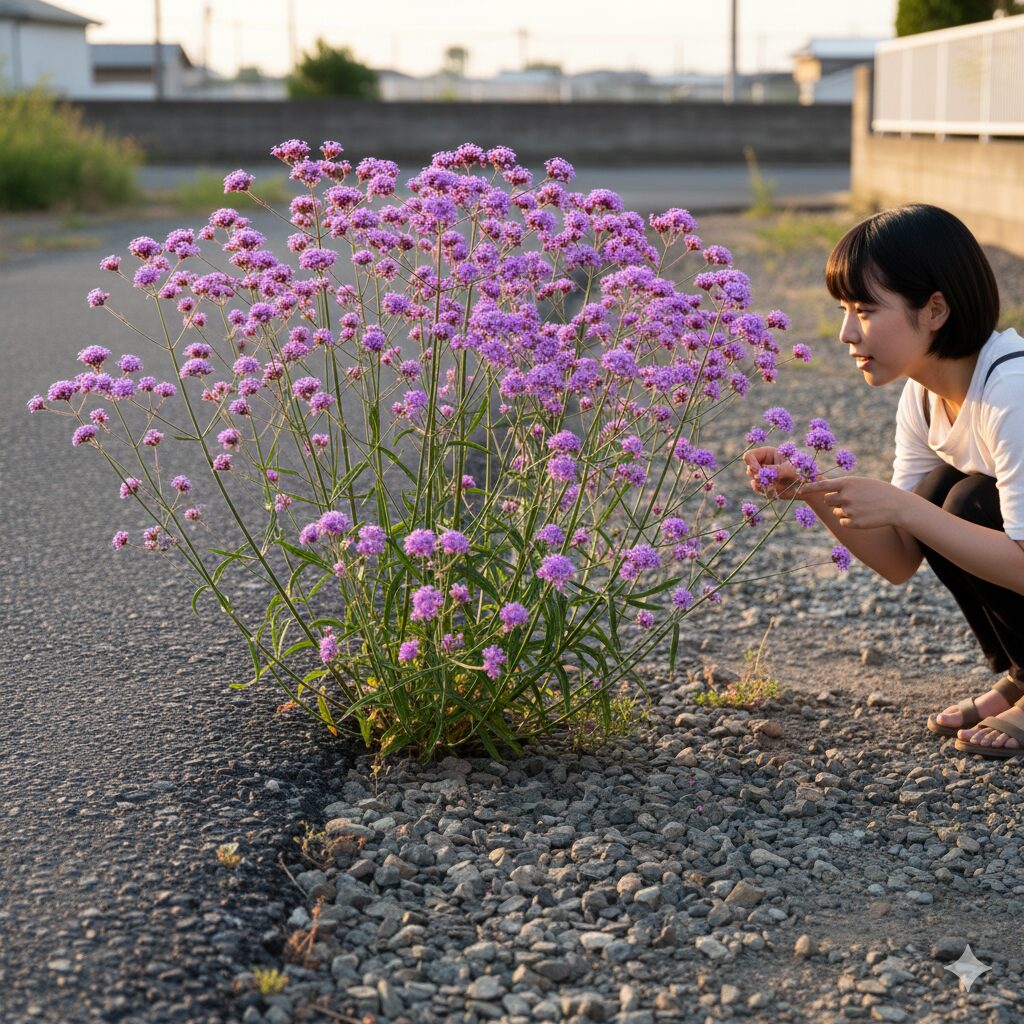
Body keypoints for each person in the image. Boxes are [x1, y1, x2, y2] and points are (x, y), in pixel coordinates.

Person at [743, 204, 1024, 760]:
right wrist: (811, 488)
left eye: (865, 310)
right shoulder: (921, 397)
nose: (847, 333)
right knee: (941, 496)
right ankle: (1022, 675)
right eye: (844, 310)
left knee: (960, 501)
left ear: (935, 309)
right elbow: (900, 562)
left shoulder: (1011, 391)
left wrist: (909, 509)